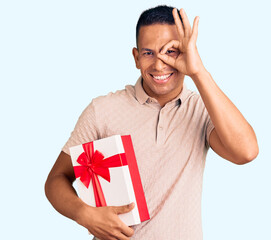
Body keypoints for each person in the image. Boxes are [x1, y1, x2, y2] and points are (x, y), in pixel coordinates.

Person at [45, 5, 258, 240]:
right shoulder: (102, 110)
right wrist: (84, 213)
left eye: (171, 52)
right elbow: (57, 179)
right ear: (136, 58)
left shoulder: (202, 110)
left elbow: (246, 152)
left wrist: (199, 72)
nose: (159, 64)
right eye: (148, 53)